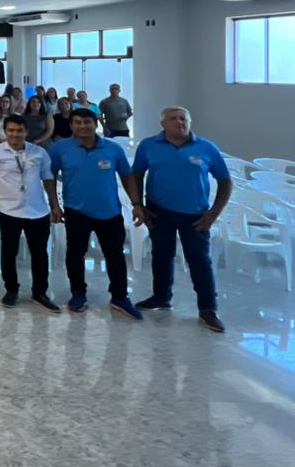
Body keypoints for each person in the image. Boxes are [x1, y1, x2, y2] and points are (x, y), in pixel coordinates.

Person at [132, 107, 231, 333]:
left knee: (199, 261)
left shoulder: (207, 147)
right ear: (163, 124)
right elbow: (136, 174)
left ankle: (208, 309)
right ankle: (161, 297)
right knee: (161, 255)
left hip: (195, 215)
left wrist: (213, 213)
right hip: (159, 212)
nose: (179, 122)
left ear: (189, 122)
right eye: (173, 119)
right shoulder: (148, 146)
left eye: (183, 119)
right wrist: (140, 205)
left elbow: (225, 181)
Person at [48, 109, 145, 319]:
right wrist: (54, 204)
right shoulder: (60, 149)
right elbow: (49, 176)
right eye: (77, 122)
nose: (83, 126)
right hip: (76, 211)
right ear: (71, 126)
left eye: (87, 122)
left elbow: (127, 176)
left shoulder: (113, 149)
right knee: (75, 254)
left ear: (96, 124)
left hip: (110, 212)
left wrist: (137, 204)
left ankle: (120, 296)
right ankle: (78, 293)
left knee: (115, 255)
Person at [0, 115, 60, 311]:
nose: (15, 134)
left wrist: (55, 205)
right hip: (9, 211)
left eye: (19, 130)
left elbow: (48, 180)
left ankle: (39, 292)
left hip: (37, 211)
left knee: (40, 254)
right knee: (9, 253)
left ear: (26, 132)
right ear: (5, 132)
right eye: (11, 130)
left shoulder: (39, 152)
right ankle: (11, 289)